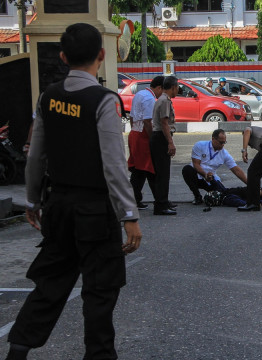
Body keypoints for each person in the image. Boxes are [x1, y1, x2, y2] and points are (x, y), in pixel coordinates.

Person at [4, 23, 142, 360]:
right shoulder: (103, 100)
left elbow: (36, 155)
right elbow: (113, 164)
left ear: (63, 57)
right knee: (100, 290)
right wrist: (129, 215)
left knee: (50, 283)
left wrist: (33, 200)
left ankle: (18, 349)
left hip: (60, 206)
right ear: (102, 54)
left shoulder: (48, 97)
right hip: (95, 211)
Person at [182, 129, 247, 205]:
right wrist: (205, 175)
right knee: (187, 169)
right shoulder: (200, 145)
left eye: (224, 142)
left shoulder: (224, 154)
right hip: (197, 175)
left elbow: (236, 170)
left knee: (223, 193)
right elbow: (196, 164)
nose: (222, 145)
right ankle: (197, 196)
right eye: (221, 142)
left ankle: (248, 193)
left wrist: (249, 183)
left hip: (211, 178)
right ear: (213, 139)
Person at [127, 75, 164, 210]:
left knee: (140, 170)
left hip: (135, 133)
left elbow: (132, 117)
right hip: (142, 136)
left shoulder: (140, 94)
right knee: (146, 170)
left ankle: (137, 199)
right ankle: (159, 200)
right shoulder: (149, 98)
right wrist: (151, 139)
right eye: (162, 90)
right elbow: (148, 121)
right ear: (159, 88)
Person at [150, 76, 179, 215]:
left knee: (162, 173)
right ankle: (161, 205)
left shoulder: (161, 99)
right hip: (161, 137)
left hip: (158, 137)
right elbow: (164, 123)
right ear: (173, 87)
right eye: (177, 87)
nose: (178, 90)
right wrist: (170, 142)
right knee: (163, 174)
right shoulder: (165, 101)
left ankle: (163, 201)